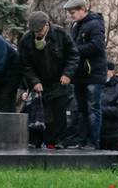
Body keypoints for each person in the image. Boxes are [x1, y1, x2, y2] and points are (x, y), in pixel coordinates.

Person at [19, 10, 78, 148]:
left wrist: (67, 74)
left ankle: (59, 142)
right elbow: (25, 64)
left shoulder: (60, 34)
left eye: (39, 31)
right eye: (34, 31)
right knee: (42, 114)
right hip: (40, 83)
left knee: (60, 113)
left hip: (60, 81)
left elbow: (73, 55)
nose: (37, 34)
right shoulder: (26, 40)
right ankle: (37, 142)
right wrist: (34, 81)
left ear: (47, 25)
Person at [60, 0, 106, 150]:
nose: (71, 15)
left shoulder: (95, 24)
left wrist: (74, 50)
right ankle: (82, 141)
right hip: (80, 74)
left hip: (93, 73)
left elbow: (97, 46)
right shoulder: (76, 26)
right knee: (81, 110)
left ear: (82, 9)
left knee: (93, 109)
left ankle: (93, 142)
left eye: (73, 12)